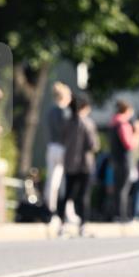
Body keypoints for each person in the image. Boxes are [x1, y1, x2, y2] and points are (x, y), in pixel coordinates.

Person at [60, 94, 100, 233]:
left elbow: (63, 140)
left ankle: (61, 223)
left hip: (70, 162)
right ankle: (83, 224)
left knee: (67, 194)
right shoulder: (88, 123)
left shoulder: (67, 122)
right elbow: (93, 145)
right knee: (83, 196)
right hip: (85, 164)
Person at [44, 81, 73, 216]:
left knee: (52, 179)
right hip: (63, 148)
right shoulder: (66, 112)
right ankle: (66, 209)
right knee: (65, 180)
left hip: (52, 146)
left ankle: (50, 207)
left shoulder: (50, 111)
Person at [109, 98, 138, 222]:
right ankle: (123, 216)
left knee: (118, 188)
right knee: (124, 189)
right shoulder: (123, 124)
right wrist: (137, 133)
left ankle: (117, 214)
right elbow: (129, 144)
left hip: (116, 159)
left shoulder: (113, 123)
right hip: (124, 160)